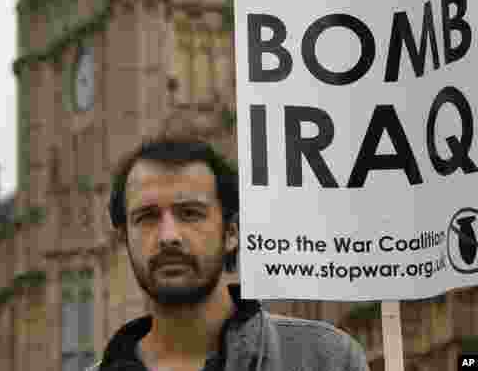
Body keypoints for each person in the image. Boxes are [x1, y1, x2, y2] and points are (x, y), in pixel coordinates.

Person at [91, 136, 368, 371]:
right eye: (148, 217)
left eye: (190, 214)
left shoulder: (325, 360)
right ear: (124, 238)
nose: (169, 236)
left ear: (232, 232)